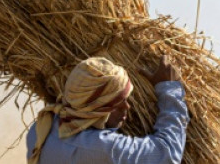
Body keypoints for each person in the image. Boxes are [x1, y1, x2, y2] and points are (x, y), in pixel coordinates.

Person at [26, 54, 188, 164]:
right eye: (116, 102)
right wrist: (169, 89)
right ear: (95, 107)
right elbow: (167, 154)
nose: (127, 107)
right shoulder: (102, 148)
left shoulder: (41, 129)